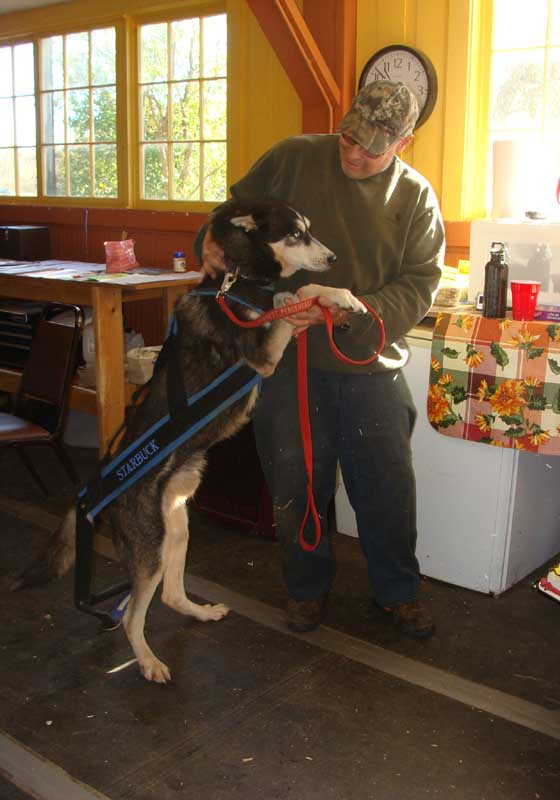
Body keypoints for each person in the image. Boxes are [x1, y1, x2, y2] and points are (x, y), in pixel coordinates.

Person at [195, 80, 445, 638]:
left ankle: (397, 592)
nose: (355, 154)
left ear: (404, 143)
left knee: (387, 486)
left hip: (369, 364)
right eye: (348, 139)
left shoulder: (416, 198)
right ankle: (305, 589)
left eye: (373, 148)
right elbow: (231, 216)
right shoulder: (291, 158)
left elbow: (421, 283)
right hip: (288, 360)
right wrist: (210, 241)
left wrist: (352, 313)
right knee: (294, 480)